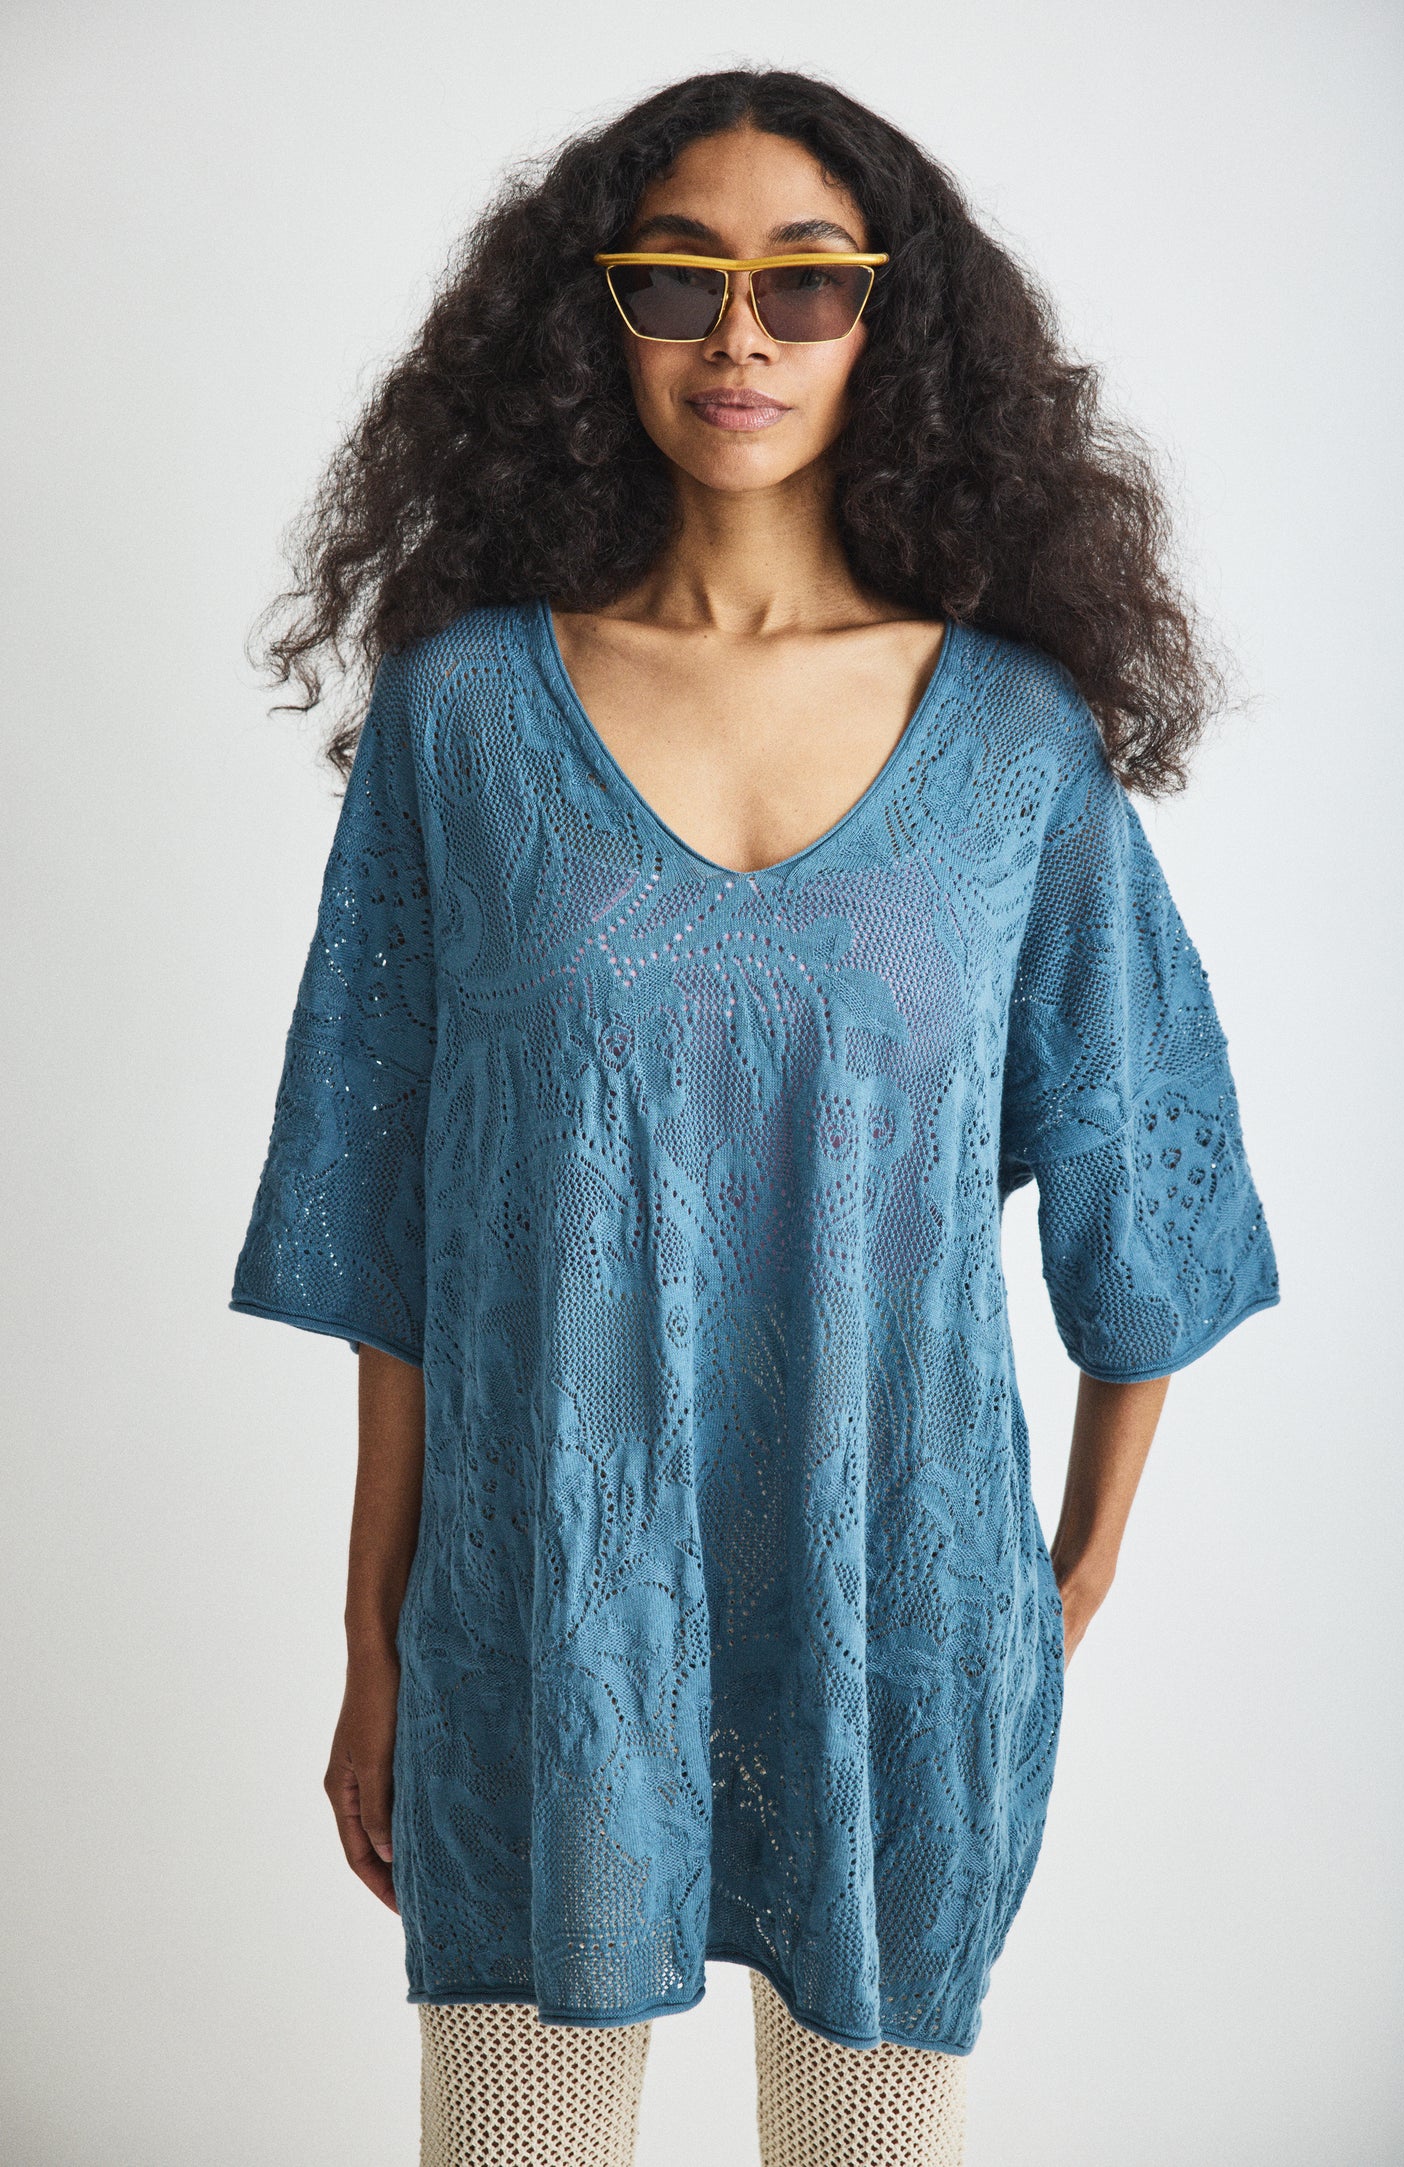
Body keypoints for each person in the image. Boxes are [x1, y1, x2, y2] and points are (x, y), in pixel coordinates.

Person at [229, 66, 1280, 2167]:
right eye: (676, 278)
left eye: (805, 282)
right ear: (594, 319)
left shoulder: (1013, 744)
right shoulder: (464, 717)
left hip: (895, 1619)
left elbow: (1146, 1178)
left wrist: (1063, 1583)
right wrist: (372, 1637)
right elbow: (391, 1231)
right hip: (542, 1611)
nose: (739, 335)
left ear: (890, 322)